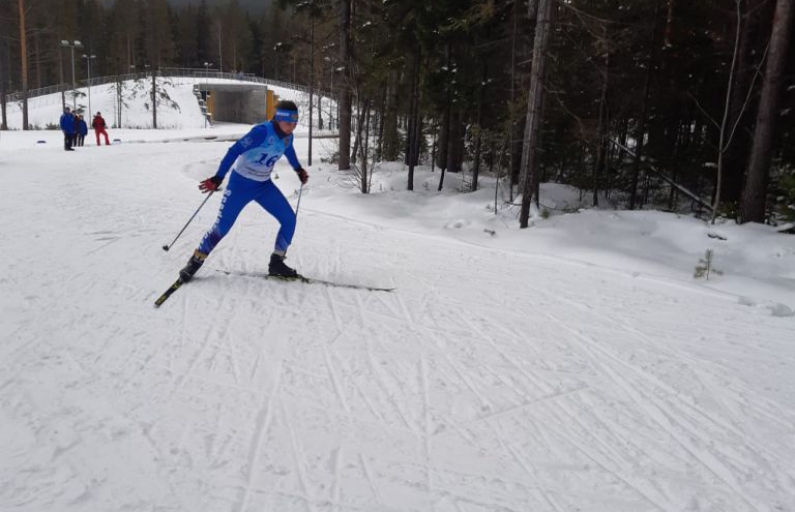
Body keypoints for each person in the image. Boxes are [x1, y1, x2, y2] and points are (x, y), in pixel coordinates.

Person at [178, 100, 310, 282]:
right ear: (279, 119)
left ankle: (277, 263)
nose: (292, 127)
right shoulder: (261, 132)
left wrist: (298, 169)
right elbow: (234, 151)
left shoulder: (288, 136)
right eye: (289, 123)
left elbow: (289, 151)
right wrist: (218, 177)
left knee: (289, 219)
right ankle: (194, 262)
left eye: (295, 123)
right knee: (222, 226)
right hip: (240, 185)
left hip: (264, 186)